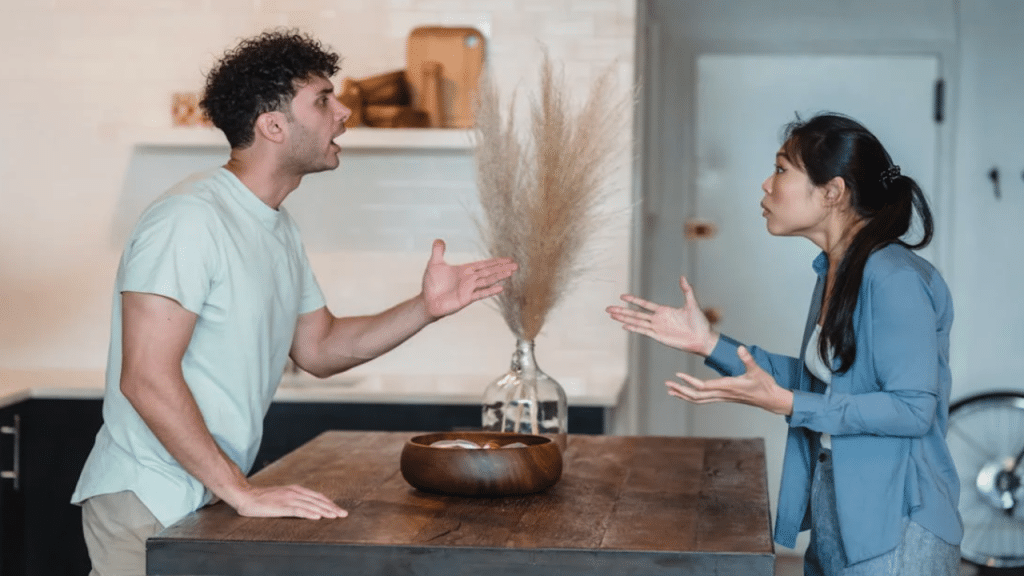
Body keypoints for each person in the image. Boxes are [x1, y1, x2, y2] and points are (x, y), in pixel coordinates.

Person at [72, 29, 517, 576]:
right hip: (147, 496)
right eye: (324, 100)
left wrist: (425, 307)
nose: (345, 112)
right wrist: (242, 491)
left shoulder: (276, 226)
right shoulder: (188, 220)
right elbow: (145, 377)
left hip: (207, 492)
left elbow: (320, 348)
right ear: (273, 126)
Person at [607, 113, 963, 575]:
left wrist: (790, 404)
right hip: (839, 508)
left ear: (832, 192)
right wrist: (709, 343)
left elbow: (914, 409)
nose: (766, 185)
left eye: (780, 170)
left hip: (898, 522)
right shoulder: (836, 270)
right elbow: (824, 386)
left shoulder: (894, 278)